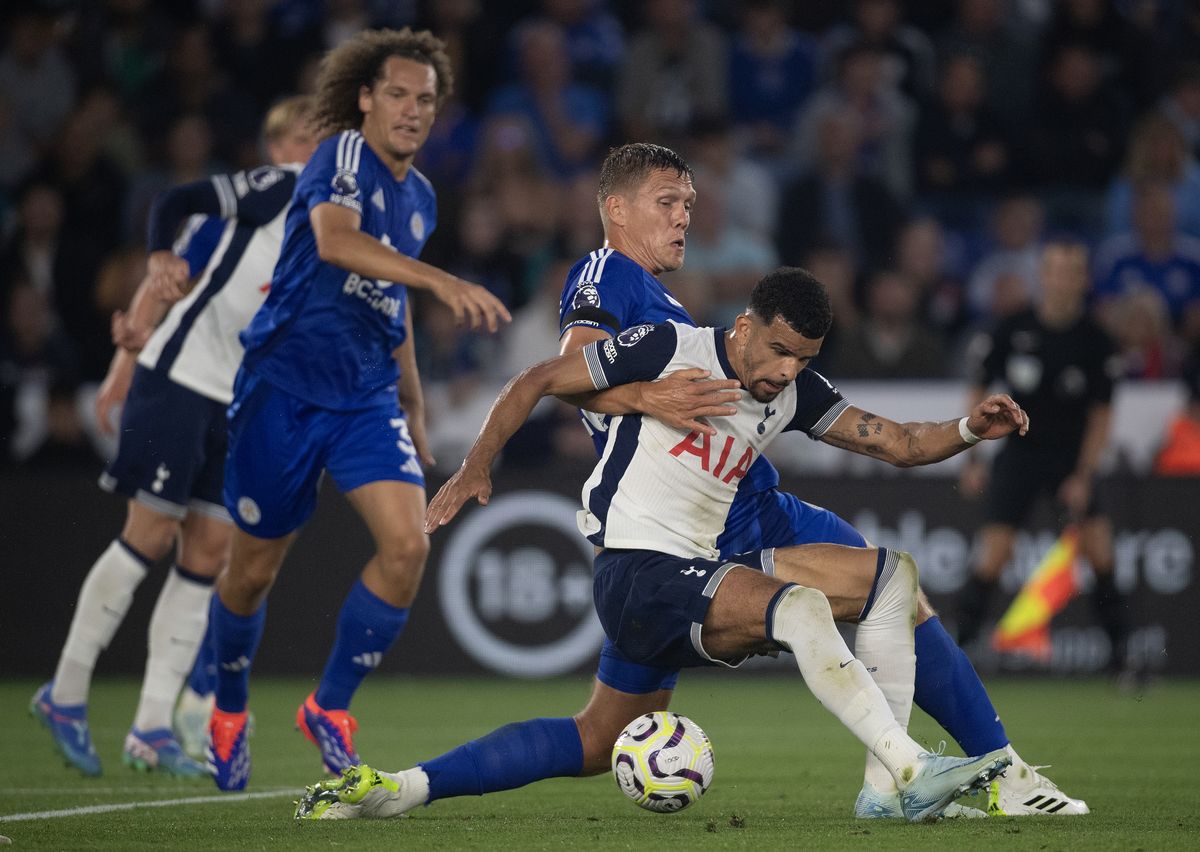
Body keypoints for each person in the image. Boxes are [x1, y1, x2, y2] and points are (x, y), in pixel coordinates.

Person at [296, 268, 1020, 823]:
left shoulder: (792, 394)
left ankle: (400, 790)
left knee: (597, 738)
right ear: (744, 326)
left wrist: (966, 429)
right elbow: (540, 379)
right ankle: (904, 771)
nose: (785, 371)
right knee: (799, 609)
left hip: (694, 575)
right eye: (777, 350)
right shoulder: (671, 347)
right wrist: (479, 462)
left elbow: (895, 441)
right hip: (638, 572)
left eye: (802, 359)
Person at [205, 28, 510, 792]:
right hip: (285, 388)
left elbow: (389, 298)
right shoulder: (341, 155)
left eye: (426, 101)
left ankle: (329, 707)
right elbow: (337, 244)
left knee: (408, 548)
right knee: (251, 572)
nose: (413, 111)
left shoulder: (422, 196)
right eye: (399, 94)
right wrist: (441, 279)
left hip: (366, 396)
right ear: (367, 99)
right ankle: (229, 707)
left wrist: (410, 399)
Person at [30, 95, 318, 778]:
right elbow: (171, 266)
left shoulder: (325, 229)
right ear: (277, 149)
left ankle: (152, 725)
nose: (315, 151)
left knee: (210, 549)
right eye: (304, 138)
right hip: (180, 380)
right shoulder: (268, 195)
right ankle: (66, 692)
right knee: (149, 535)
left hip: (236, 403)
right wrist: (124, 363)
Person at [958, 241, 1131, 678]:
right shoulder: (1011, 328)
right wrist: (970, 454)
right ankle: (957, 656)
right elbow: (977, 389)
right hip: (1019, 453)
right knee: (993, 554)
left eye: (1071, 270)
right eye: (1053, 269)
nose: (1060, 278)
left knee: (1099, 551)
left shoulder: (1096, 340)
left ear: (1083, 279)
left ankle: (1124, 661)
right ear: (1043, 275)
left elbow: (1101, 416)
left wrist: (1084, 476)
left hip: (1071, 458)